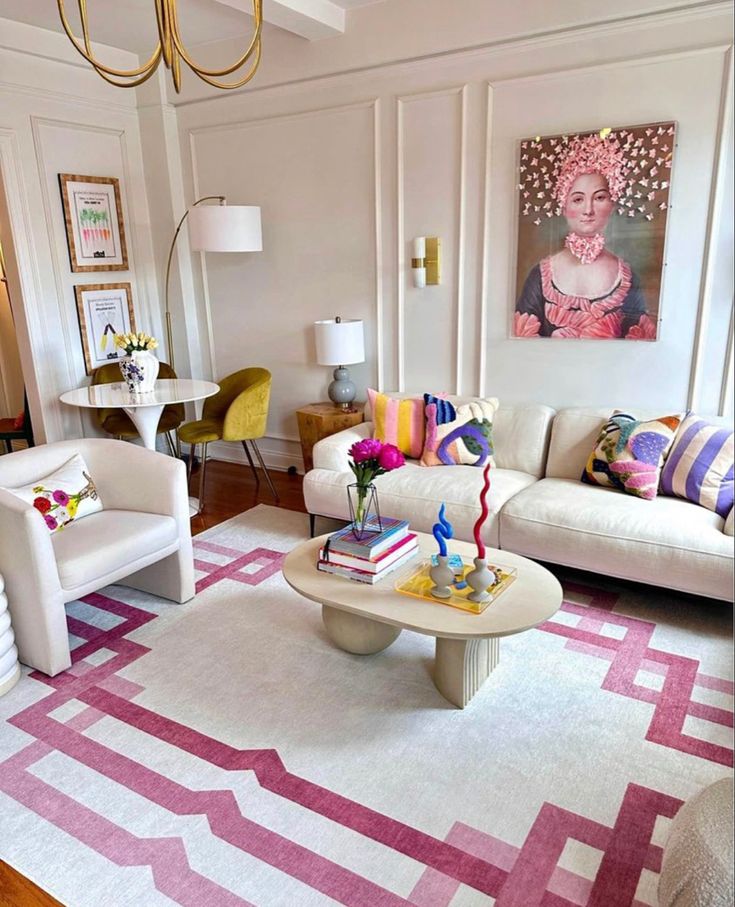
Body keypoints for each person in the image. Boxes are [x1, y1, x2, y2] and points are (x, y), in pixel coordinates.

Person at [514, 133, 656, 339]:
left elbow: (639, 346)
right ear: (564, 206)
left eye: (599, 197)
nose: (588, 210)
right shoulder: (540, 276)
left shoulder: (626, 277)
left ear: (612, 203)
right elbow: (520, 345)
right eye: (578, 199)